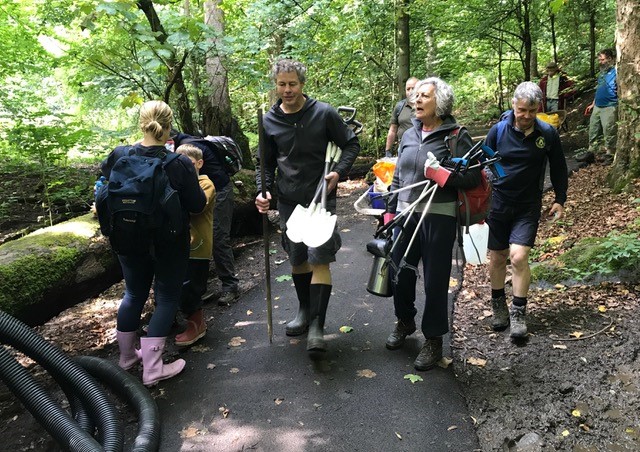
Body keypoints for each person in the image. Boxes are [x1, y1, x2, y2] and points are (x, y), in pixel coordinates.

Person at [255, 59, 360, 355]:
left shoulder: (324, 113)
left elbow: (351, 144)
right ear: (275, 85)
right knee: (297, 257)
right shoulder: (269, 121)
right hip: (289, 199)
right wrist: (262, 192)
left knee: (320, 257)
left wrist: (338, 172)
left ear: (302, 84)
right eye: (282, 84)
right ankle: (304, 309)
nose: (287, 90)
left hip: (322, 199)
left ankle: (317, 323)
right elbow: (264, 164)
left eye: (292, 84)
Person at [102, 100, 206, 386]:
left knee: (133, 294)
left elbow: (105, 184)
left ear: (141, 123)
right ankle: (153, 368)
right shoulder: (179, 163)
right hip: (168, 242)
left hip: (126, 238)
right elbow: (196, 205)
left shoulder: (119, 155)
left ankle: (126, 357)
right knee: (168, 297)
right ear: (169, 126)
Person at [384, 77, 481, 371]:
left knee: (436, 280)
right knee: (398, 271)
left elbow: (474, 176)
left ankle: (434, 340)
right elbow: (398, 177)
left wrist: (445, 176)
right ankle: (405, 320)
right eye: (415, 95)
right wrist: (389, 212)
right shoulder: (409, 134)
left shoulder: (454, 135)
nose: (416, 100)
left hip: (438, 216)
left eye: (424, 96)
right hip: (405, 214)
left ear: (439, 104)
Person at [485, 82, 568, 340]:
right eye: (522, 110)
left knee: (519, 257)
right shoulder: (498, 131)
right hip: (498, 203)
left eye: (532, 110)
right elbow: (483, 164)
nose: (527, 116)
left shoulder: (547, 133)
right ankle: (498, 305)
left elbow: (558, 167)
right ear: (513, 105)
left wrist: (560, 199)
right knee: (497, 257)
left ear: (538, 108)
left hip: (528, 205)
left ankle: (519, 312)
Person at [172, 132, 240, 306]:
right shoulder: (180, 147)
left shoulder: (191, 149)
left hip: (219, 189)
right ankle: (199, 287)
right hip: (196, 193)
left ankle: (230, 285)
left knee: (218, 236)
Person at [174, 143, 216, 346]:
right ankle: (173, 321)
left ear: (199, 163)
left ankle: (196, 325)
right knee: (175, 284)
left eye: (188, 164)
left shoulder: (205, 183)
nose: (184, 168)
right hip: (178, 244)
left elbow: (197, 207)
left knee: (191, 286)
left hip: (198, 245)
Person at [578, 48, 618, 165]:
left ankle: (610, 155)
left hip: (610, 106)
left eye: (603, 59)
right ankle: (591, 153)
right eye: (599, 60)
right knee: (593, 129)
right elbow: (599, 89)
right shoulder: (602, 73)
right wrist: (593, 103)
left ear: (610, 59)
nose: (600, 62)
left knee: (609, 130)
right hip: (598, 106)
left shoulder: (617, 71)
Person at [384, 77, 418, 157]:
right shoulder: (400, 106)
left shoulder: (426, 106)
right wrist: (388, 150)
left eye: (413, 88)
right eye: (408, 89)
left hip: (421, 147)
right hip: (403, 148)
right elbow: (393, 130)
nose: (410, 91)